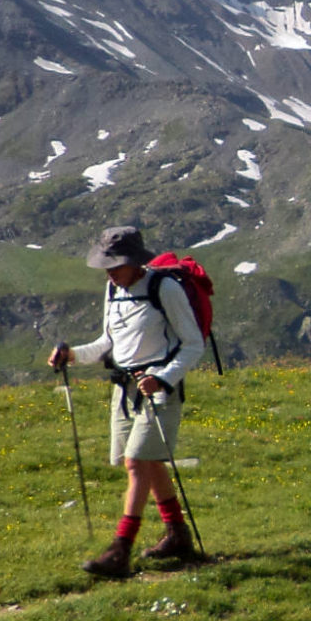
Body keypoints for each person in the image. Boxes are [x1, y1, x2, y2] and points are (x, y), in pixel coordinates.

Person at [48, 226, 206, 578]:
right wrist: (71, 355)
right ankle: (178, 536)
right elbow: (108, 342)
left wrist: (163, 377)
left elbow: (193, 343)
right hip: (125, 390)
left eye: (116, 265)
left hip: (159, 390)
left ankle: (120, 551)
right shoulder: (113, 289)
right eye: (107, 266)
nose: (110, 272)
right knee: (145, 464)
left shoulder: (163, 288)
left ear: (136, 262)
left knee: (137, 462)